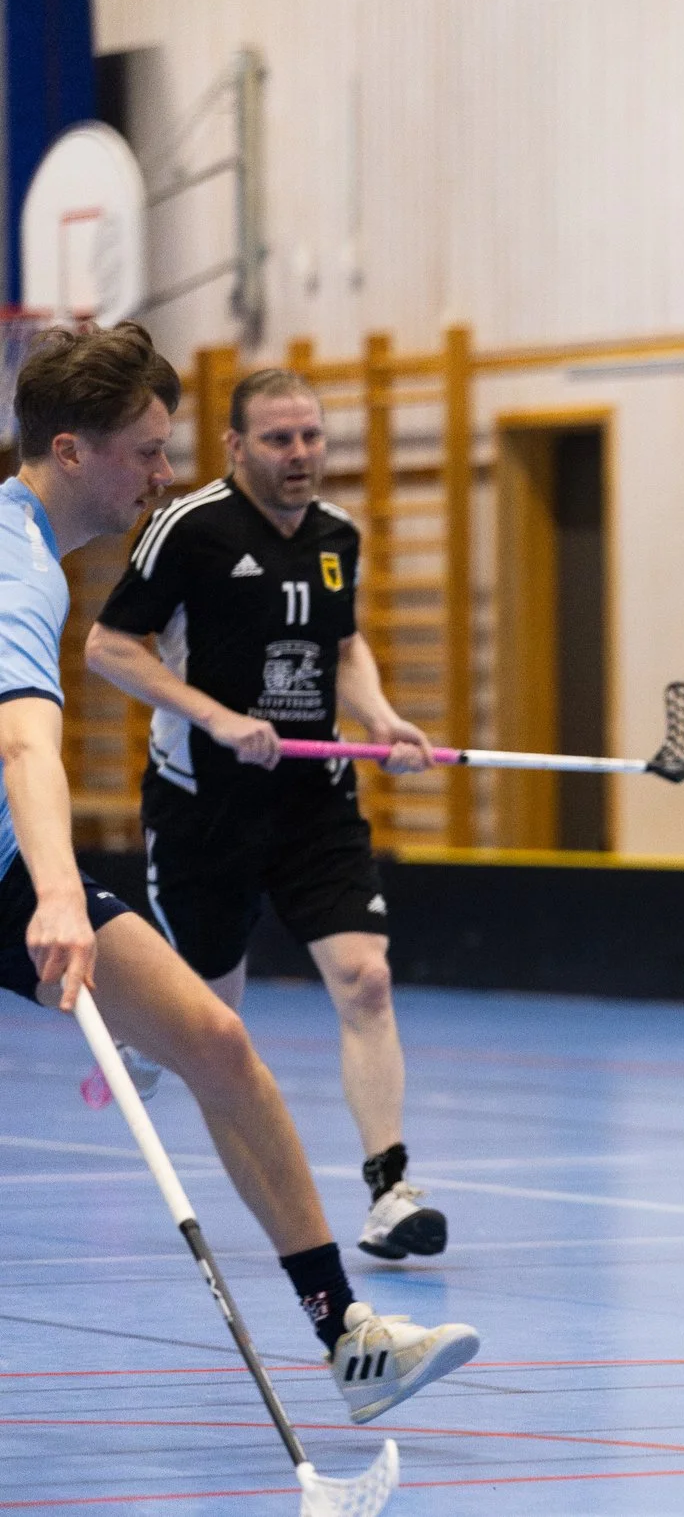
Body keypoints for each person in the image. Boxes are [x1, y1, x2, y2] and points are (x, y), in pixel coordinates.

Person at [2, 325, 476, 1421]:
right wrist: (62, 893)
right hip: (48, 859)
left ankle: (351, 1338)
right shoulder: (21, 575)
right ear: (71, 452)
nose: (165, 475)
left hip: (7, 861)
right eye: (147, 453)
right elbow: (27, 741)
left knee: (216, 1040)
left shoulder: (36, 544)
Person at [86, 367, 449, 1263]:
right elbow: (107, 645)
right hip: (206, 805)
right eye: (280, 439)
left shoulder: (338, 536)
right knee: (211, 1021)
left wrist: (380, 716)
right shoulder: (187, 527)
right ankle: (148, 1037)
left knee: (366, 979)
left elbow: (343, 641)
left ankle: (390, 1190)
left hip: (312, 803)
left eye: (312, 437)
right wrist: (212, 714)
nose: (300, 455)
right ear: (236, 446)